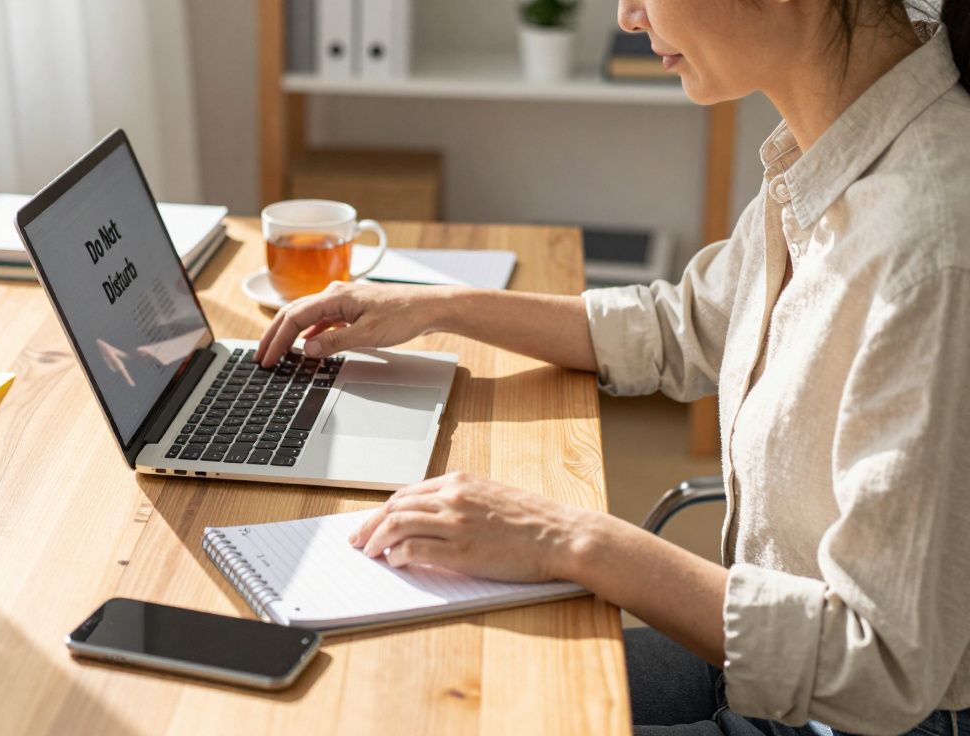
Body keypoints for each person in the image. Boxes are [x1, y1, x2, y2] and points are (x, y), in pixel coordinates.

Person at [255, 0, 970, 733]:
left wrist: (568, 539)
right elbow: (683, 325)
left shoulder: (929, 244)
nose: (628, 16)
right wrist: (439, 306)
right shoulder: (835, 144)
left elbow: (881, 665)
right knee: (424, 680)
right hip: (766, 662)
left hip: (854, 714)